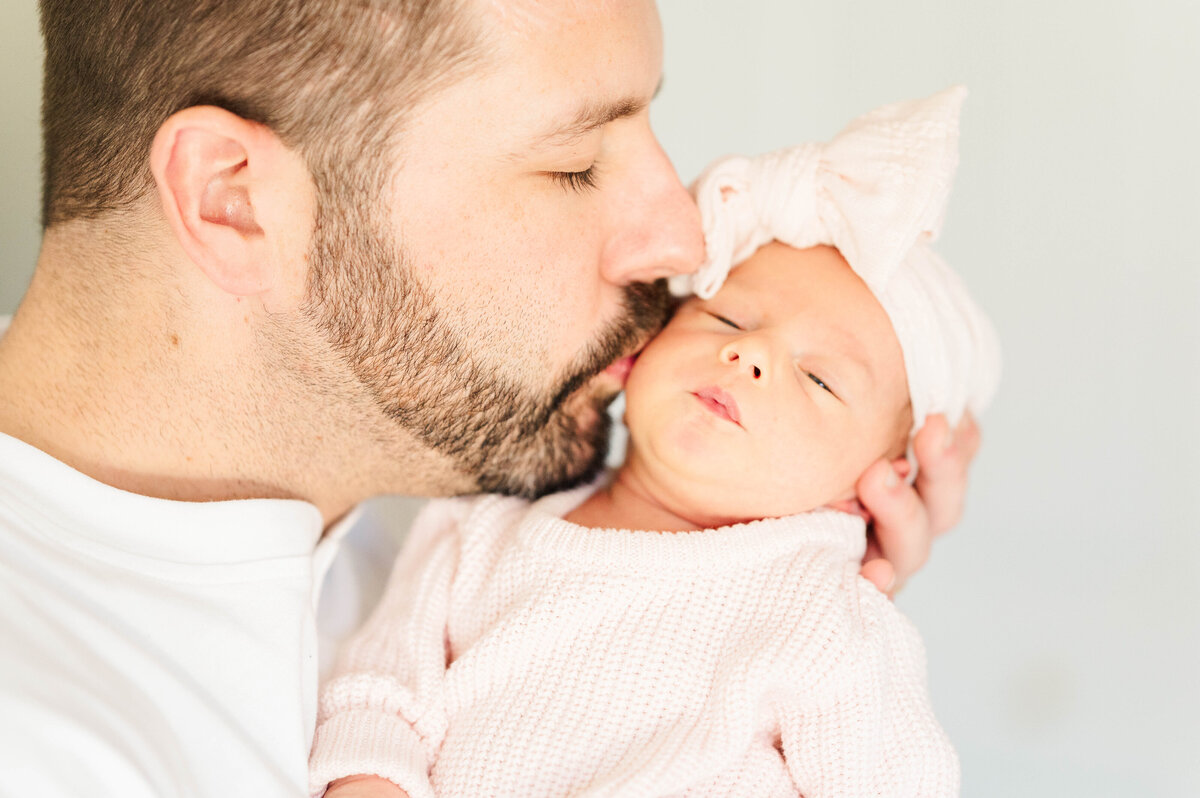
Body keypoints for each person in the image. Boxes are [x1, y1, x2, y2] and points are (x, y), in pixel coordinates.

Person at [0, 1, 981, 795]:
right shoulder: (47, 747)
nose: (685, 243)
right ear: (234, 198)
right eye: (574, 165)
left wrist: (764, 570)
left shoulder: (407, 489)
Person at [309, 87, 998, 798]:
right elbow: (377, 697)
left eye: (820, 380)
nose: (753, 354)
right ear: (641, 351)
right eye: (727, 320)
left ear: (877, 482)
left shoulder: (828, 616)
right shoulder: (470, 533)